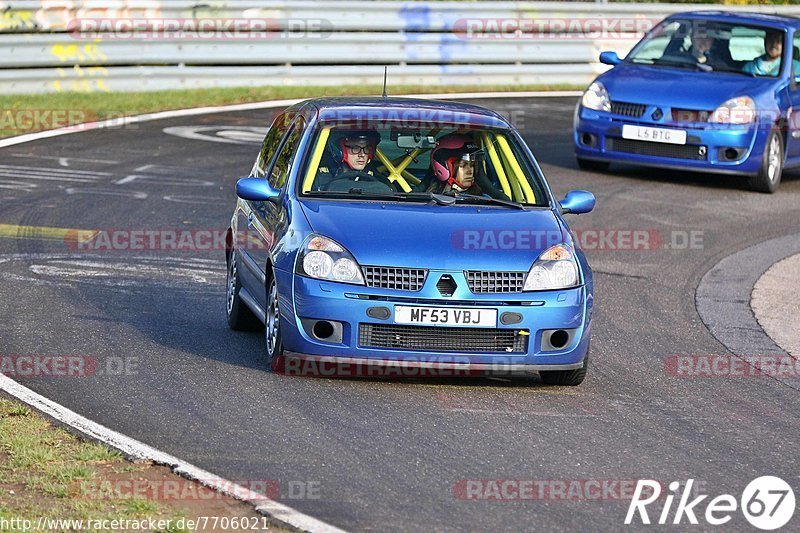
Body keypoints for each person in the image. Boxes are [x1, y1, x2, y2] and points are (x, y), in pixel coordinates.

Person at [314, 129, 387, 191]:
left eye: (367, 148)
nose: (362, 154)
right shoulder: (319, 180)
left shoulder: (380, 180)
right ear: (340, 150)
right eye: (355, 148)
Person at [426, 134, 493, 197]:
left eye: (472, 165)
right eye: (463, 166)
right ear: (444, 168)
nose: (470, 172)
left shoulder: (485, 200)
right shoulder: (427, 201)